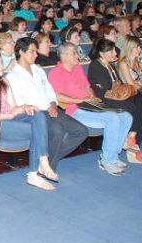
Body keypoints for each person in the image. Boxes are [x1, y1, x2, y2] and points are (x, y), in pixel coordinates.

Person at [0, 49, 58, 190]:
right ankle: (35, 172)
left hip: (9, 120)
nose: (1, 66)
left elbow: (13, 107)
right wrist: (8, 116)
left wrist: (25, 107)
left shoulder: (3, 81)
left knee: (38, 114)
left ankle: (43, 161)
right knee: (37, 128)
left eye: (1, 63)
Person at [48, 43, 132, 175]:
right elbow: (57, 97)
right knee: (113, 118)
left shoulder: (78, 68)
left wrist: (93, 97)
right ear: (64, 56)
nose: (78, 55)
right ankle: (107, 160)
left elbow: (88, 87)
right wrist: (81, 100)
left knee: (127, 116)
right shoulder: (55, 73)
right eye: (74, 53)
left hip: (90, 105)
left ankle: (113, 156)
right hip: (74, 109)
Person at [5, 37, 88, 171]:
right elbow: (20, 103)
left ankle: (46, 162)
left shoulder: (38, 70)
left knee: (81, 131)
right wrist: (45, 108)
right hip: (34, 114)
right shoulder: (13, 76)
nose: (36, 55)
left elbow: (50, 91)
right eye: (32, 52)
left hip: (50, 108)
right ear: (21, 52)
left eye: (36, 51)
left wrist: (53, 105)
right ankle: (49, 168)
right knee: (57, 130)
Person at [86, 39, 142, 163]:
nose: (115, 54)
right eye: (111, 51)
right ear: (101, 53)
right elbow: (107, 87)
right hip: (104, 98)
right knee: (132, 107)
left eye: (114, 51)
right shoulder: (95, 65)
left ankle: (132, 138)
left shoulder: (110, 65)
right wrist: (114, 83)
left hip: (116, 94)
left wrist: (114, 83)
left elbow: (118, 83)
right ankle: (133, 147)